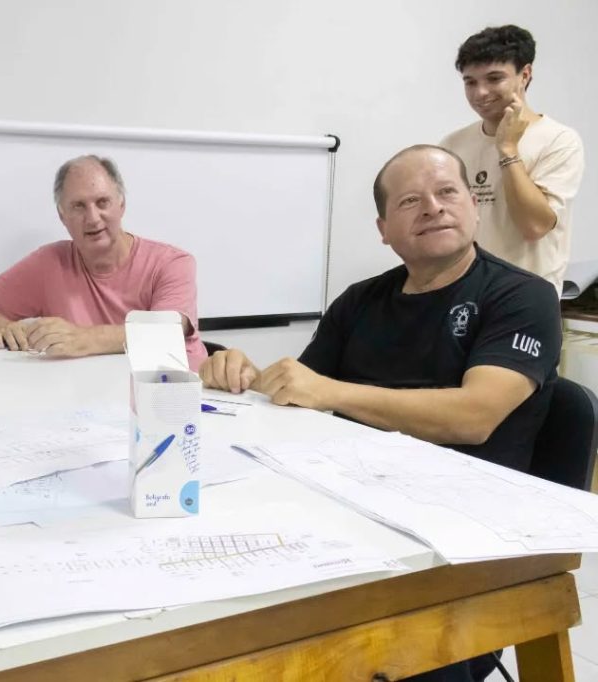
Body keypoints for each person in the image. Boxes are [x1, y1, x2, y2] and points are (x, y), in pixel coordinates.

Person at [201, 144, 561, 682]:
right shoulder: (360, 300)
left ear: (473, 205)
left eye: (447, 192)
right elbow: (301, 398)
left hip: (457, 538)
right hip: (349, 511)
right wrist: (241, 374)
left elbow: (474, 416)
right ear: (383, 229)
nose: (433, 207)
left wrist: (333, 392)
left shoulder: (523, 296)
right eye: (410, 201)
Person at [0, 154, 207, 370]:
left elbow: (166, 332)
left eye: (102, 202)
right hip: (90, 400)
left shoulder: (173, 263)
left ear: (121, 205)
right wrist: (1, 326)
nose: (93, 218)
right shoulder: (49, 263)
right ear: (62, 216)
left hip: (177, 397)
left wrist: (83, 338)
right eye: (78, 206)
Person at [440, 24, 584, 293]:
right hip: (464, 292)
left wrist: (507, 149)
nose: (480, 93)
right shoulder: (452, 145)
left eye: (494, 79)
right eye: (470, 82)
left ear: (525, 75)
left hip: (527, 296)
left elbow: (534, 226)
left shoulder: (558, 140)